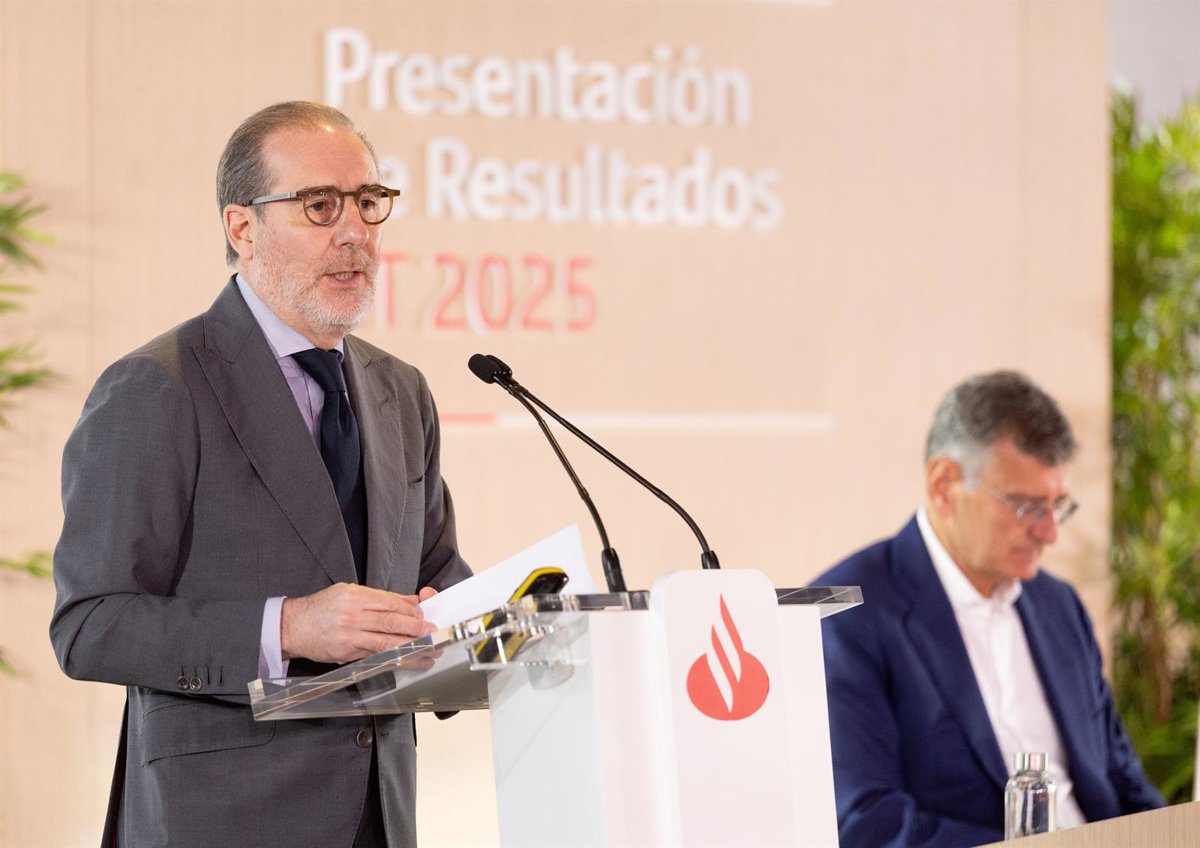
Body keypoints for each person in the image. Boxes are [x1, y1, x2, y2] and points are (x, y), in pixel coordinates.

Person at [49, 101, 471, 848]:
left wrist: (469, 623)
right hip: (221, 818)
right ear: (242, 228)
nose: (354, 232)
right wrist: (290, 626)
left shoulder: (400, 390)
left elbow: (434, 572)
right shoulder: (158, 387)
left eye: (369, 202)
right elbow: (91, 627)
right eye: (320, 205)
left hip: (381, 815)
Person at [811, 371, 1164, 847]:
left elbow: (1125, 782)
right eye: (1026, 507)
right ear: (943, 485)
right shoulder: (847, 615)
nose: (1049, 533)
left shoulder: (1059, 606)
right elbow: (868, 822)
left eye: (1058, 506)